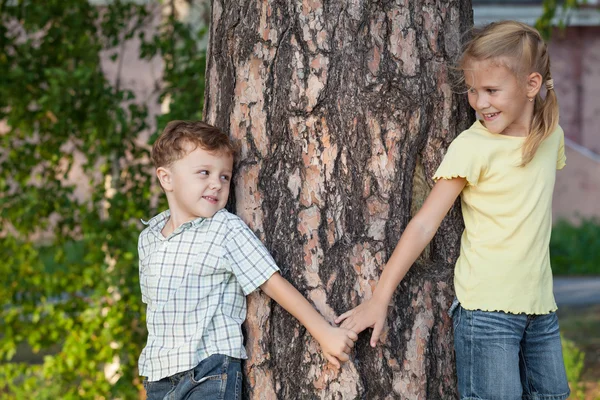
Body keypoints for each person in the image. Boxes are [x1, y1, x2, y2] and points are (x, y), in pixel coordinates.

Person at [335, 21, 569, 400]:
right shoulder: (472, 146)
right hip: (487, 312)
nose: (479, 103)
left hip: (541, 307)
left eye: (492, 90)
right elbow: (425, 223)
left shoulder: (550, 137)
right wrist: (381, 296)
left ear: (531, 85)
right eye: (473, 91)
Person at [139, 120, 357, 400]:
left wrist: (324, 332)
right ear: (166, 178)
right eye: (204, 172)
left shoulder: (224, 229)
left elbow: (271, 281)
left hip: (207, 370)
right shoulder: (149, 238)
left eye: (224, 177)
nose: (216, 184)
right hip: (158, 377)